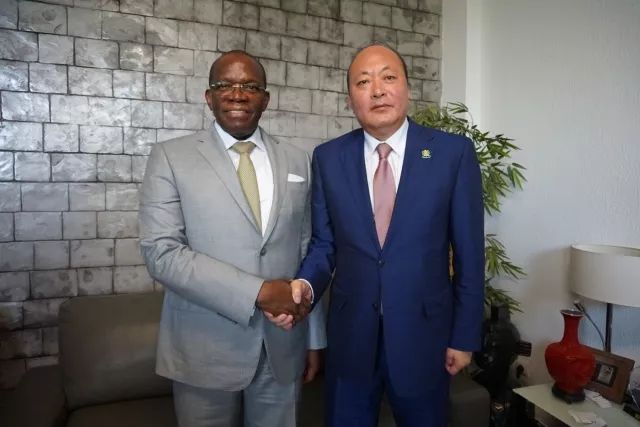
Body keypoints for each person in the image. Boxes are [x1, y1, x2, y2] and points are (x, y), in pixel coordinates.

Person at [287, 43, 485, 426]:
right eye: (363, 82)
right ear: (350, 99)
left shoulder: (452, 154)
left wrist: (464, 336)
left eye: (388, 77)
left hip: (423, 337)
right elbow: (325, 244)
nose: (377, 90)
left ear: (407, 88)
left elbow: (470, 255)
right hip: (350, 338)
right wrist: (305, 286)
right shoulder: (328, 158)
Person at [139, 50, 326, 427]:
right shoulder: (170, 157)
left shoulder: (298, 161)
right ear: (208, 96)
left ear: (265, 99)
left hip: (283, 344)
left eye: (250, 86)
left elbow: (308, 250)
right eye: (225, 85)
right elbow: (162, 253)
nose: (238, 94)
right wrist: (259, 292)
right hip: (203, 348)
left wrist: (313, 337)